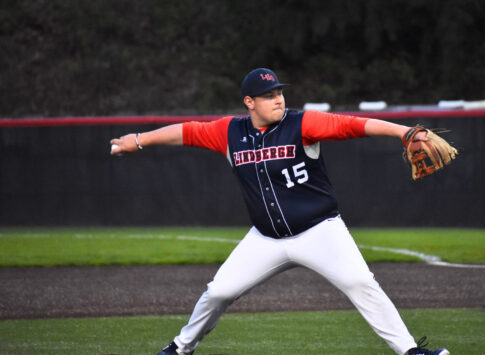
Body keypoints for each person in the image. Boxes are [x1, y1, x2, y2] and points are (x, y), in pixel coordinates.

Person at [110, 68, 450, 355]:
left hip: (320, 230)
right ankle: (181, 348)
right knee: (218, 292)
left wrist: (404, 131)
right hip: (266, 238)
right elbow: (185, 131)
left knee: (361, 282)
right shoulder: (229, 132)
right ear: (249, 102)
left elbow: (353, 124)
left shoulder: (303, 124)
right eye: (268, 94)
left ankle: (410, 350)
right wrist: (139, 140)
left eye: (279, 92)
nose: (278, 99)